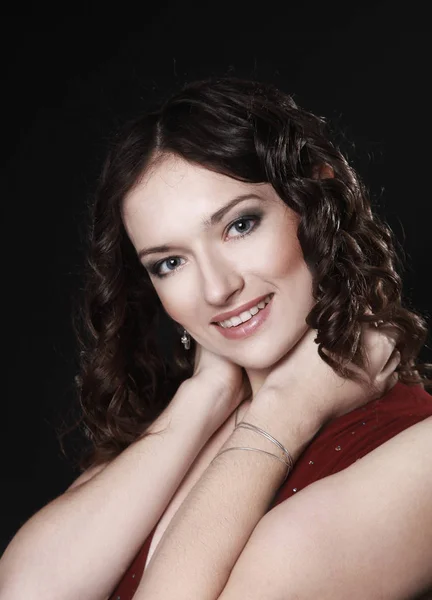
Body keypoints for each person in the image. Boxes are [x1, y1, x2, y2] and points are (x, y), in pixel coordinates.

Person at [1, 77, 431, 600]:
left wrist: (284, 411)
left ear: (318, 197)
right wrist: (207, 394)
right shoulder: (177, 428)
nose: (217, 288)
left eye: (240, 225)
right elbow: (25, 591)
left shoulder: (417, 451)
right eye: (171, 263)